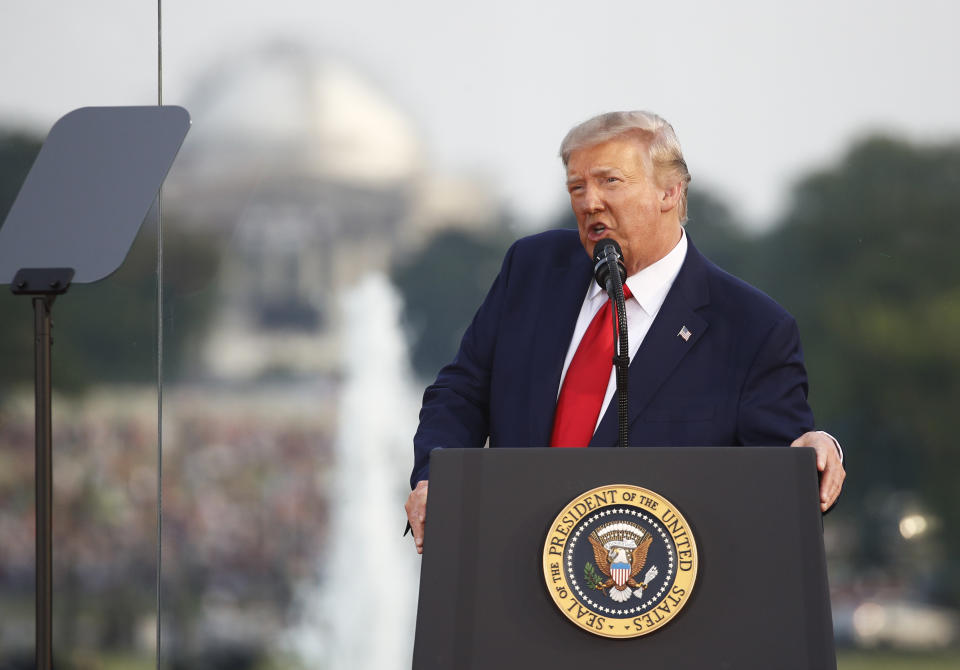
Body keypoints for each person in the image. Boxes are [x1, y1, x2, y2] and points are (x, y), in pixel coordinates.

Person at [405, 111, 845, 554]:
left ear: (670, 192)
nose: (589, 202)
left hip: (648, 593)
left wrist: (815, 450)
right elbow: (461, 393)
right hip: (509, 562)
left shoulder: (751, 329)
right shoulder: (532, 269)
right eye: (577, 187)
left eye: (609, 181)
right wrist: (435, 478)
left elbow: (783, 474)